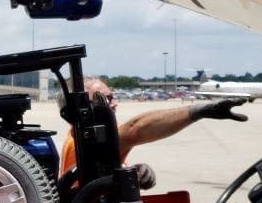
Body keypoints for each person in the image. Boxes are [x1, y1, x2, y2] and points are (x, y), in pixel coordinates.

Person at [60, 76, 248, 189]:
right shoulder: (85, 141)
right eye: (104, 99)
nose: (114, 103)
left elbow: (104, 173)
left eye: (112, 97)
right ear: (81, 108)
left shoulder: (91, 138)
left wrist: (132, 172)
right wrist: (201, 111)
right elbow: (135, 130)